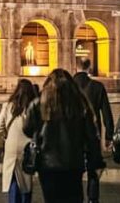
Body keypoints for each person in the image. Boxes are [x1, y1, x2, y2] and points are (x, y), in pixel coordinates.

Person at [23, 69, 105, 203]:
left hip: (47, 164)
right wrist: (96, 161)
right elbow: (91, 136)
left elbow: (27, 129)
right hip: (73, 163)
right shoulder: (80, 104)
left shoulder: (39, 104)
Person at [74, 59, 113, 203]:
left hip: (73, 134)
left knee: (74, 169)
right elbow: (106, 113)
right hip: (93, 133)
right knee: (93, 168)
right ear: (89, 68)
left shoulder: (69, 86)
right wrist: (109, 135)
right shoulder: (97, 86)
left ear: (75, 67)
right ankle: (92, 199)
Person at [0, 79, 37, 203]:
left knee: (12, 179)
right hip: (27, 147)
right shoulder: (33, 107)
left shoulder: (8, 106)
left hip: (11, 147)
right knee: (26, 181)